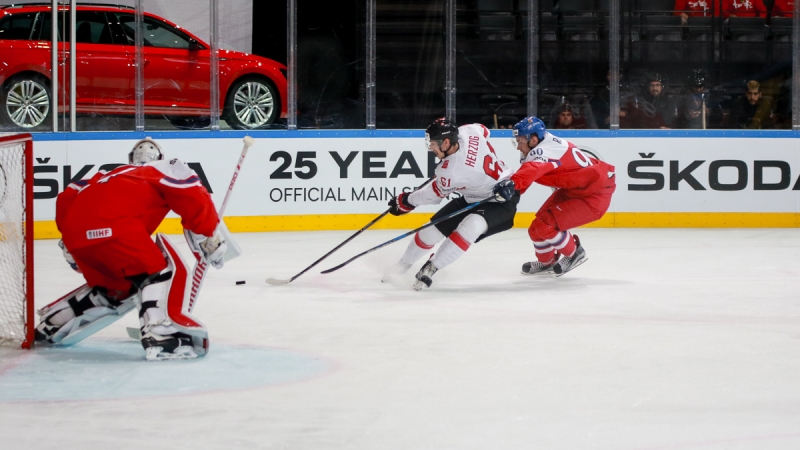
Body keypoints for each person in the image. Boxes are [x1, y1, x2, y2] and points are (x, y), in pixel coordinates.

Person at [36, 138, 227, 361]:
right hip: (116, 229)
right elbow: (192, 193)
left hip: (77, 237)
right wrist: (208, 234)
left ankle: (55, 321)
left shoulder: (102, 176)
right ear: (160, 157)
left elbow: (65, 198)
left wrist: (68, 241)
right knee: (160, 272)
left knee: (118, 286)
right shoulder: (162, 167)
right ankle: (163, 333)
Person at [382, 118, 519, 290]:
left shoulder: (452, 171)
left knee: (470, 226)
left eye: (433, 144)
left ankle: (432, 267)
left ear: (446, 142)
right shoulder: (468, 132)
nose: (431, 148)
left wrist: (406, 201)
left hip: (502, 199)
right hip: (474, 195)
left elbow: (433, 195)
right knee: (431, 230)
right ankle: (402, 265)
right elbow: (484, 131)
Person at [492, 117, 616, 277]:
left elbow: (531, 171)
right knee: (535, 229)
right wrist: (511, 191)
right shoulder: (542, 144)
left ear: (533, 139)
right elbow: (527, 176)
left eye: (520, 141)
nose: (518, 147)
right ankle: (547, 262)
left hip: (594, 196)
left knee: (546, 226)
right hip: (574, 190)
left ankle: (574, 252)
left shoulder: (543, 151)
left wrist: (511, 187)